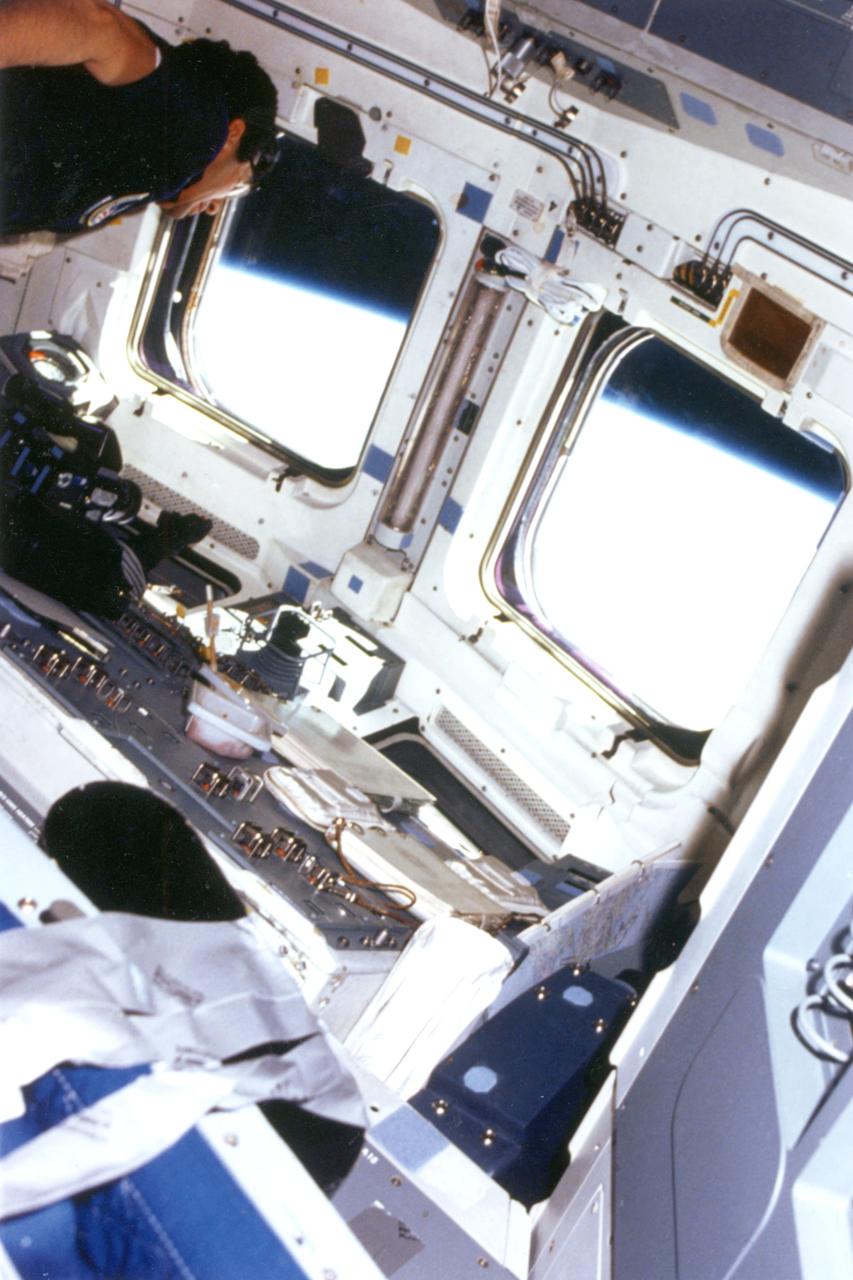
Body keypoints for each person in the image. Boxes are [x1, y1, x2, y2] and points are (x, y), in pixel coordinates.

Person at [0, 0, 279, 235]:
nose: (214, 207)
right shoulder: (201, 130)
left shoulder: (162, 166)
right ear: (233, 134)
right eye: (235, 189)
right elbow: (98, 26)